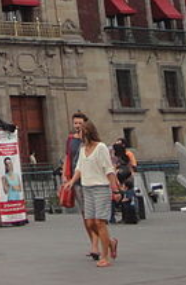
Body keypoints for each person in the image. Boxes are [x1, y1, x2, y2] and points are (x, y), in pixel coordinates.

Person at [64, 121, 121, 268]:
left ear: (87, 132)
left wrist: (115, 190)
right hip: (86, 188)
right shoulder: (83, 149)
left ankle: (105, 257)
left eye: (80, 131)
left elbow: (109, 170)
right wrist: (71, 182)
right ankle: (111, 242)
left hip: (100, 187)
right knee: (89, 222)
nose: (77, 134)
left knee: (99, 222)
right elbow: (79, 168)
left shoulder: (101, 147)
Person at [61, 111, 98, 260]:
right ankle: (94, 244)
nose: (77, 126)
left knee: (92, 215)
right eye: (75, 123)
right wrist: (65, 175)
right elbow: (68, 157)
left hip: (90, 180)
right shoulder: (71, 140)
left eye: (80, 123)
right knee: (85, 214)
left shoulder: (90, 141)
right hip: (75, 181)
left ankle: (99, 244)